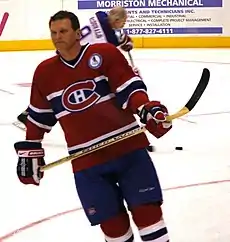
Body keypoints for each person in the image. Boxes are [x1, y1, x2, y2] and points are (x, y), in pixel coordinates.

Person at [14, 10, 171, 242]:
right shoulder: (44, 73)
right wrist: (30, 151)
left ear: (77, 33)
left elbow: (130, 90)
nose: (58, 37)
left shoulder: (105, 53)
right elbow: (39, 118)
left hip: (128, 150)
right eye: (54, 33)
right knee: (113, 229)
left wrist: (147, 109)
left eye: (64, 31)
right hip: (87, 163)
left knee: (149, 217)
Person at [16, 6, 135, 128]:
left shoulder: (99, 16)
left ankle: (27, 115)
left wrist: (123, 40)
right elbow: (111, 43)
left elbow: (108, 31)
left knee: (56, 91)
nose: (123, 25)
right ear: (117, 20)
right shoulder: (108, 38)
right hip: (75, 60)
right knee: (64, 94)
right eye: (123, 22)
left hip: (67, 54)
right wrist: (125, 41)